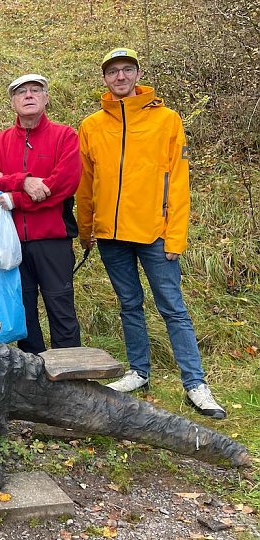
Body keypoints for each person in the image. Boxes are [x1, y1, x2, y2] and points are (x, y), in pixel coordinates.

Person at [77, 48, 226, 418]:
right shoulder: (92, 125)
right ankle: (138, 372)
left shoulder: (166, 120)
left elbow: (177, 181)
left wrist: (175, 235)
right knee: (129, 304)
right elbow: (85, 184)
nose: (121, 76)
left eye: (127, 70)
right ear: (105, 79)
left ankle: (195, 383)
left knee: (173, 308)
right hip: (110, 235)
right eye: (113, 72)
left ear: (138, 74)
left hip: (154, 233)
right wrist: (86, 229)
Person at [0, 74, 82, 355]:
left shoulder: (65, 136)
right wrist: (22, 181)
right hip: (11, 242)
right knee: (22, 309)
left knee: (60, 305)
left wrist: (13, 198)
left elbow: (63, 185)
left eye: (36, 90)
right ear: (13, 102)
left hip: (52, 238)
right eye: (21, 92)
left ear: (46, 98)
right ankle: (32, 372)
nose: (29, 95)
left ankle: (71, 371)